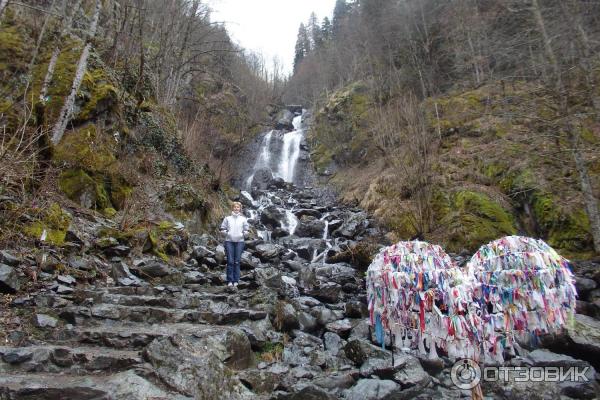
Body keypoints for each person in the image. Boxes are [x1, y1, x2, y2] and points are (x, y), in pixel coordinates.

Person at [220, 202, 249, 287]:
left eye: (238, 207)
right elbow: (222, 229)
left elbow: (246, 230)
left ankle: (236, 280)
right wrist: (227, 234)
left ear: (240, 208)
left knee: (237, 261)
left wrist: (243, 234)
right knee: (230, 261)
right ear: (232, 208)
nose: (236, 208)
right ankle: (229, 281)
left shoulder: (243, 219)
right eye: (235, 207)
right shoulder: (227, 218)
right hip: (229, 241)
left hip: (240, 242)